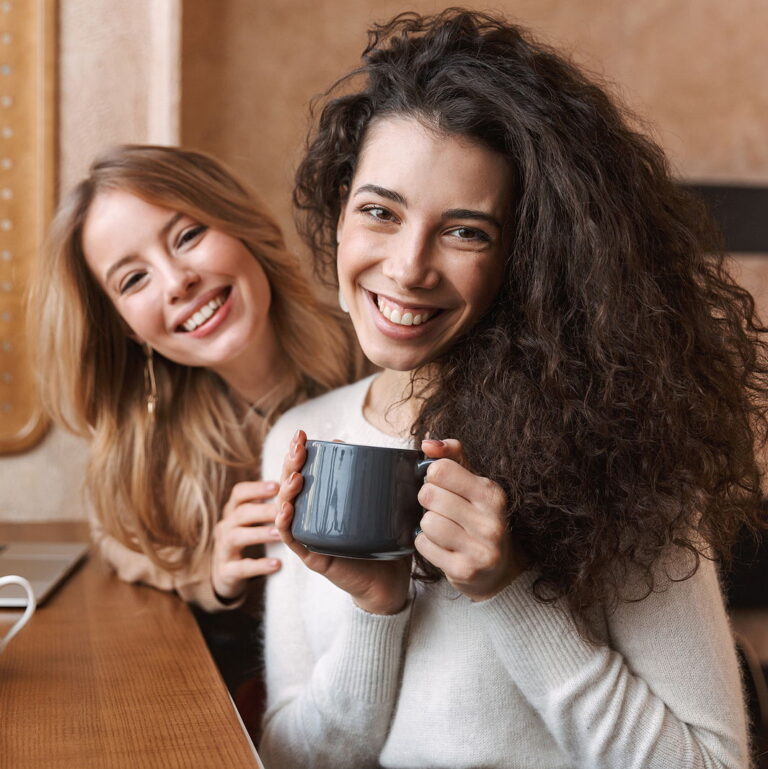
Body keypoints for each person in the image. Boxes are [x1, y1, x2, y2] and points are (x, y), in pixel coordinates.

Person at [258, 9, 768, 769]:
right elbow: (294, 758)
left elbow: (712, 763)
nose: (406, 267)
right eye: (379, 211)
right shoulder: (299, 439)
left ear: (526, 257)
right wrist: (376, 608)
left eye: (465, 231)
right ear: (339, 210)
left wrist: (512, 589)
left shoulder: (613, 445)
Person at [30, 144, 362, 611]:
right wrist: (208, 573)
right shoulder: (145, 444)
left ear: (239, 224)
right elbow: (120, 542)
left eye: (187, 236)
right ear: (127, 328)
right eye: (133, 280)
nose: (176, 281)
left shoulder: (377, 356)